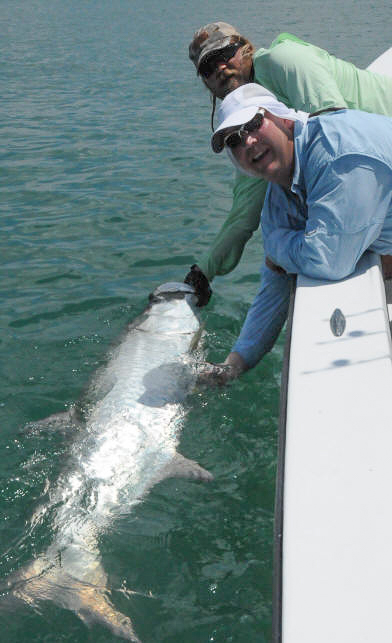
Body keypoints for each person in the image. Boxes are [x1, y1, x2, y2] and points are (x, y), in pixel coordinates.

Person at [185, 22, 392, 300]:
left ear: (245, 46)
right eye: (207, 67)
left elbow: (335, 138)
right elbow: (244, 213)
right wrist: (204, 272)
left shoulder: (285, 60)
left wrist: (283, 248)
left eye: (225, 54)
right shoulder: (248, 133)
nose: (219, 67)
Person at [201, 82, 392, 381]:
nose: (247, 142)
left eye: (253, 123)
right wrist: (235, 362)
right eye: (233, 140)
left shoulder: (337, 155)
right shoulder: (281, 185)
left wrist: (277, 246)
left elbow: (328, 261)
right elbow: (275, 278)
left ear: (284, 119)